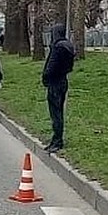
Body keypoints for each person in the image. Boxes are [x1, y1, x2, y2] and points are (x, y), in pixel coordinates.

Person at [42, 23, 76, 152]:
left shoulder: (57, 47)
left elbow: (51, 66)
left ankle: (57, 140)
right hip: (63, 80)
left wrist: (45, 77)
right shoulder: (68, 46)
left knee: (55, 113)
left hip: (54, 82)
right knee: (59, 111)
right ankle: (57, 138)